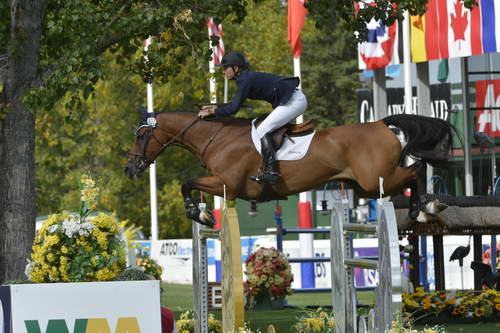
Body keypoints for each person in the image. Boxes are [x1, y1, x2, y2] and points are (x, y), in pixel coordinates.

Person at [198, 51, 308, 185]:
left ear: (236, 68)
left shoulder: (245, 80)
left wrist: (212, 112)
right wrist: (212, 108)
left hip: (294, 101)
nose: (224, 71)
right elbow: (233, 105)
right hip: (292, 100)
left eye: (225, 68)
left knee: (262, 130)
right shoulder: (244, 79)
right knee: (263, 128)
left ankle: (272, 172)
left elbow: (233, 109)